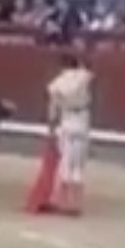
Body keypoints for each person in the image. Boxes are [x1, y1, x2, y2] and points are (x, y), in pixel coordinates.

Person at [44, 52, 94, 215]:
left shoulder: (56, 84)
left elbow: (52, 110)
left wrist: (51, 129)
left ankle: (63, 203)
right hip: (82, 122)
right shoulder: (83, 77)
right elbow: (89, 70)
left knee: (66, 162)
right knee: (78, 165)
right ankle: (76, 204)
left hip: (66, 122)